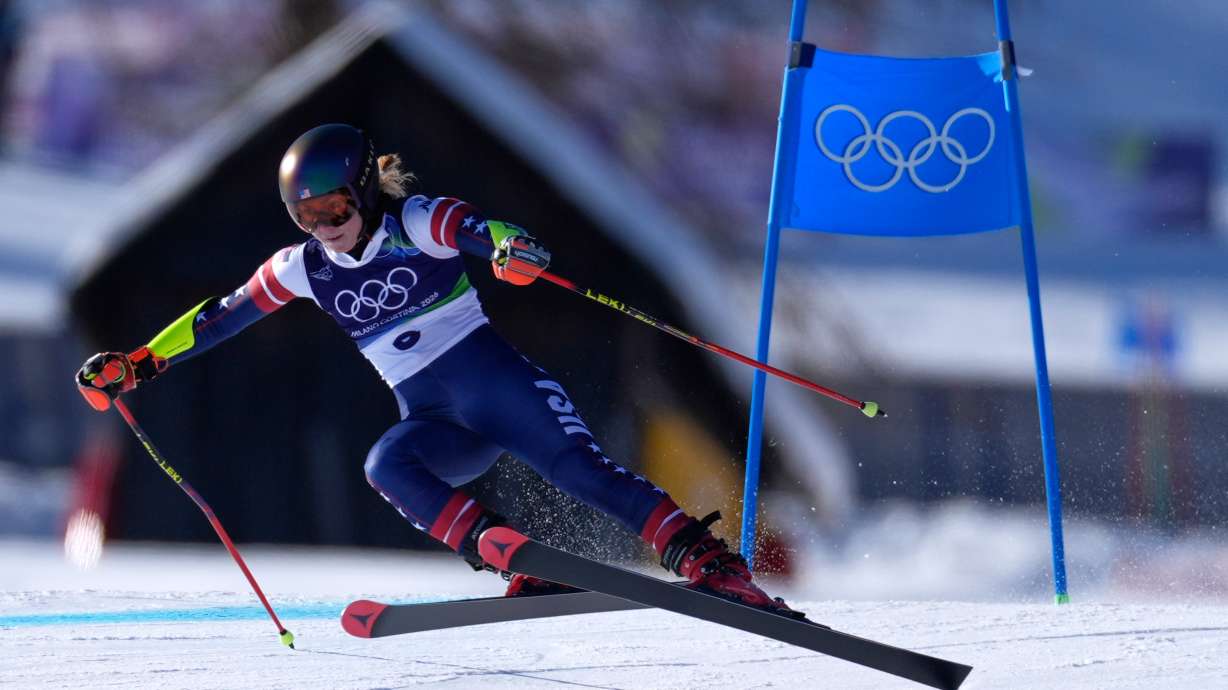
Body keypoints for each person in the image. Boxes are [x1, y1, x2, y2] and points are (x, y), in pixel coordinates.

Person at [75, 123, 792, 613]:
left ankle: (709, 562)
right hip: (438, 420)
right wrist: (140, 364)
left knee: (580, 473)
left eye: (335, 208)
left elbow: (482, 231)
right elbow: (220, 317)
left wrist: (512, 252)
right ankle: (515, 557)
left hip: (502, 389)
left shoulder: (413, 220)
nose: (326, 227)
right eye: (307, 215)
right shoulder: (302, 268)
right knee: (387, 465)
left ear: (363, 189)